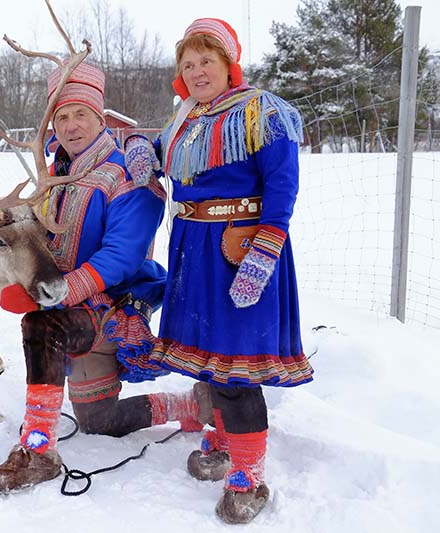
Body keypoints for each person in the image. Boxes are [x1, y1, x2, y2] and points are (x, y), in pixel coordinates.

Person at [0, 60, 213, 493]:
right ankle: (190, 405)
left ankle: (38, 449)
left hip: (113, 307)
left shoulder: (128, 175)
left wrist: (60, 291)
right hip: (73, 307)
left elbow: (121, 257)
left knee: (42, 326)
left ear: (101, 117)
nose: (70, 125)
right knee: (98, 421)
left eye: (80, 114)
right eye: (61, 117)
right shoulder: (55, 175)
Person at [123, 18, 314, 524]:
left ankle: (249, 477)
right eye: (188, 64)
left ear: (230, 64)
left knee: (239, 369)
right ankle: (227, 443)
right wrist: (140, 146)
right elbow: (158, 154)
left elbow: (283, 186)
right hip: (194, 249)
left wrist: (265, 251)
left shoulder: (262, 112)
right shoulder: (186, 118)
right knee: (214, 362)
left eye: (207, 60)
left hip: (239, 250)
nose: (197, 71)